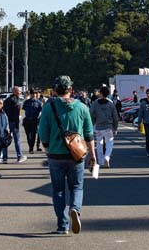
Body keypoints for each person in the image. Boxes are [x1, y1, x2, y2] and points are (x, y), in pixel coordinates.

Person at [39, 75, 96, 235]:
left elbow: (43, 133)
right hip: (76, 155)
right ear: (70, 89)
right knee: (77, 187)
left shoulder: (48, 108)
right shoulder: (82, 107)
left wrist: (47, 148)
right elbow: (89, 133)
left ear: (55, 90)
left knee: (58, 191)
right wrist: (93, 154)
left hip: (55, 155)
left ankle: (62, 226)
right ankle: (75, 209)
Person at [90, 86, 119, 169]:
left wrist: (92, 123)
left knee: (99, 144)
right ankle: (107, 157)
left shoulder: (95, 103)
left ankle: (101, 161)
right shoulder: (110, 103)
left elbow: (91, 114)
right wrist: (115, 127)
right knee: (109, 143)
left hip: (98, 127)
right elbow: (115, 117)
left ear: (101, 93)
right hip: (109, 127)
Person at [2, 86, 27, 163]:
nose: (20, 93)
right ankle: (19, 156)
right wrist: (17, 124)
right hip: (13, 122)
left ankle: (5, 158)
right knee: (17, 140)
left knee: (5, 140)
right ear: (15, 92)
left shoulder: (6, 100)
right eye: (19, 91)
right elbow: (16, 114)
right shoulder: (15, 101)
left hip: (6, 122)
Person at [136, 88, 149, 157]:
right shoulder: (143, 103)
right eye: (147, 94)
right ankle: (148, 150)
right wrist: (139, 123)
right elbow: (140, 114)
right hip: (146, 122)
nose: (148, 95)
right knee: (148, 137)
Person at [23, 89, 43, 153]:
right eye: (32, 94)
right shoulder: (26, 102)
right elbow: (23, 108)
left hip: (35, 120)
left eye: (35, 94)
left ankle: (31, 148)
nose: (34, 95)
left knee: (33, 134)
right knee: (28, 135)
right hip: (27, 120)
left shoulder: (39, 102)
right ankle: (30, 145)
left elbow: (41, 111)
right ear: (30, 94)